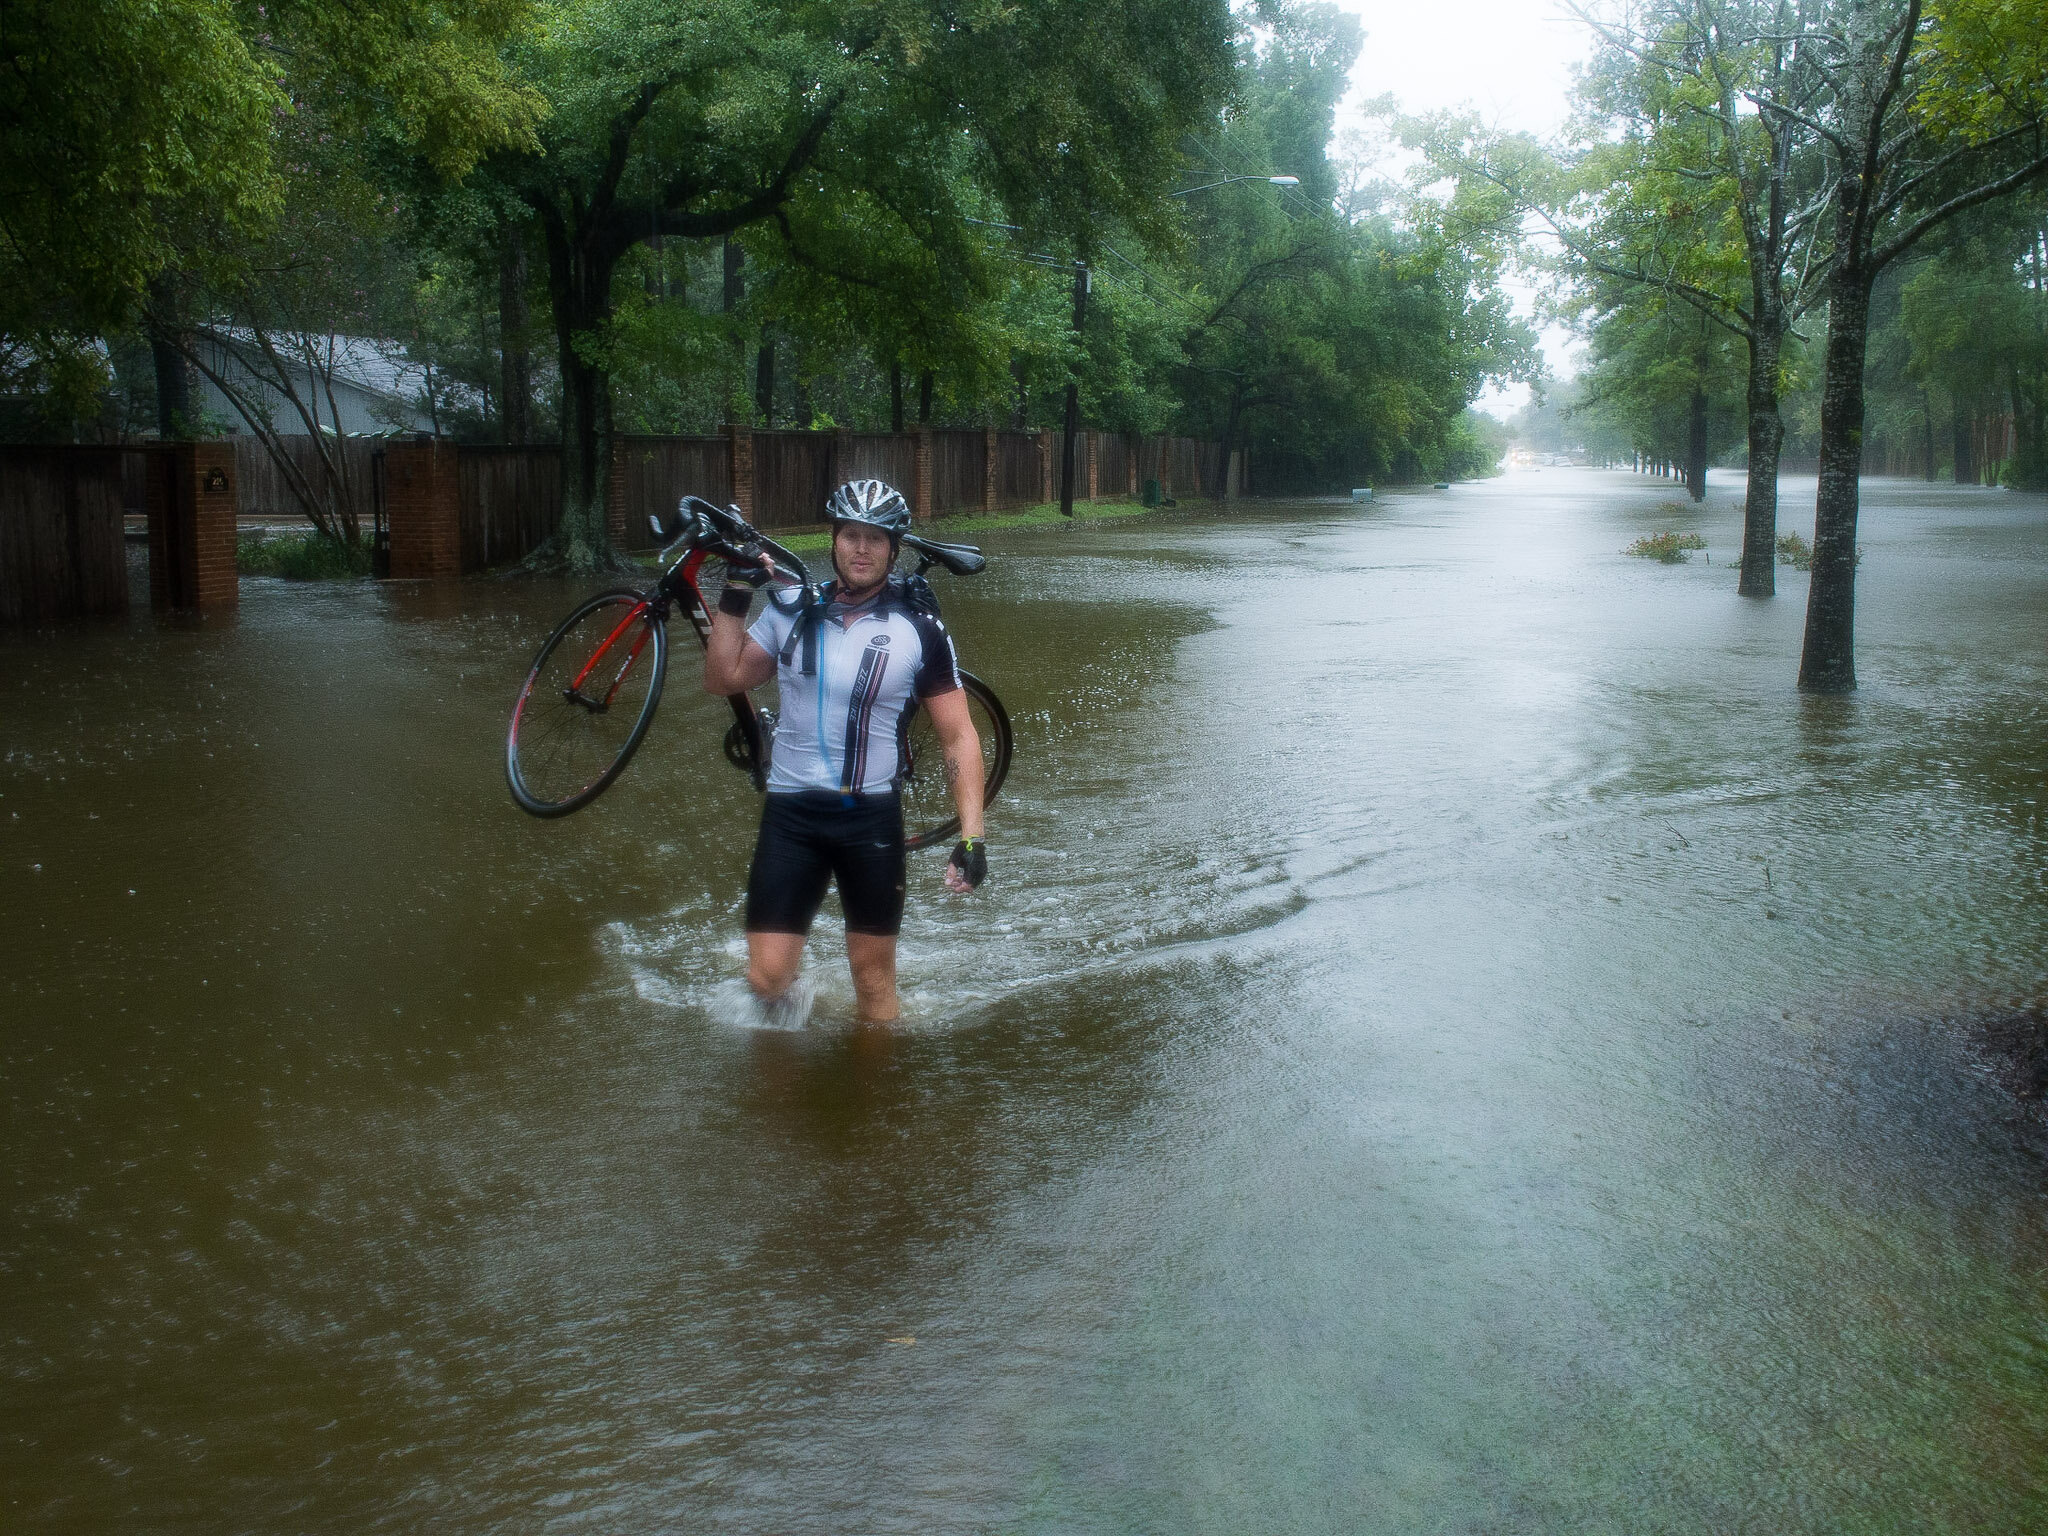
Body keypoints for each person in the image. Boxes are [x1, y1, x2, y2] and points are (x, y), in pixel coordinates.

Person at [702, 479, 987, 1024]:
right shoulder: (790, 610)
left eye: (875, 539)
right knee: (766, 979)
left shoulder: (920, 629)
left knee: (874, 983)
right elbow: (723, 678)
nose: (862, 548)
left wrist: (972, 835)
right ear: (832, 541)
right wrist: (737, 592)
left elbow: (958, 736)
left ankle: (877, 1103)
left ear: (893, 549)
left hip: (870, 818)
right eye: (850, 535)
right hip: (791, 813)